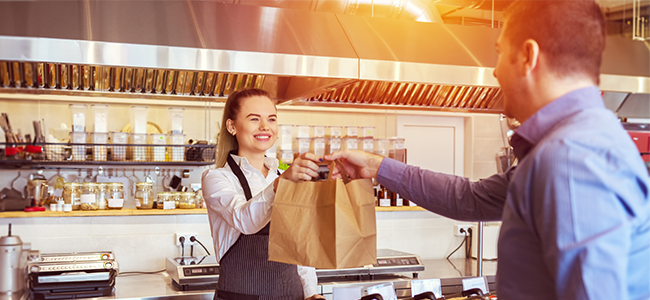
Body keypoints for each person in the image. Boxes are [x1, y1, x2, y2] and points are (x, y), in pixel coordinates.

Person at [326, 1, 650, 299]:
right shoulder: (570, 145)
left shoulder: (568, 158)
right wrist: (377, 167)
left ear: (527, 56)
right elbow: (470, 199)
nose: (494, 71)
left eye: (499, 52)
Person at [202, 88, 324, 300]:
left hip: (291, 295)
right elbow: (245, 220)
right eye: (254, 119)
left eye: (271, 119)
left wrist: (311, 293)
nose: (265, 127)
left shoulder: (284, 175)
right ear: (232, 126)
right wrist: (281, 183)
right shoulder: (216, 178)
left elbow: (300, 244)